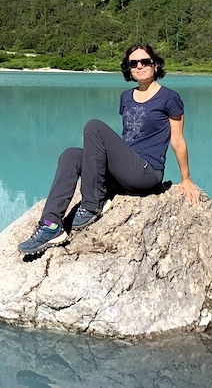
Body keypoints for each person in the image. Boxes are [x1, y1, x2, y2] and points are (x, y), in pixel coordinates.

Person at [18, 43, 201, 255]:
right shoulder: (126, 97)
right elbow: (128, 139)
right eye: (133, 63)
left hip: (145, 173)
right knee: (70, 155)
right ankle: (51, 225)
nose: (139, 66)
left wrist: (186, 179)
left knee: (94, 127)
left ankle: (93, 203)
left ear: (156, 65)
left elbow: (177, 140)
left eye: (145, 62)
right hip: (122, 171)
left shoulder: (169, 97)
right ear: (128, 68)